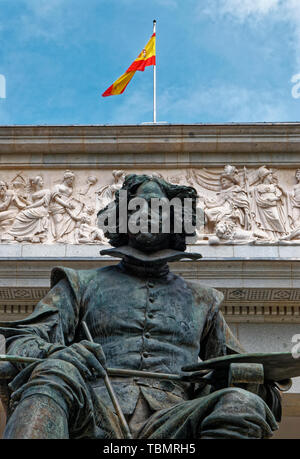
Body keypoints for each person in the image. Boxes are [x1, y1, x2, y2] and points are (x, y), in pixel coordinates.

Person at [0, 174, 280, 439]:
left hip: (175, 420)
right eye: (135, 209)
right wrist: (60, 353)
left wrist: (241, 377)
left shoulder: (203, 301)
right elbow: (21, 344)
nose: (145, 215)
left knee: (241, 403)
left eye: (158, 208)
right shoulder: (79, 283)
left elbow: (263, 388)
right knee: (56, 372)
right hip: (92, 413)